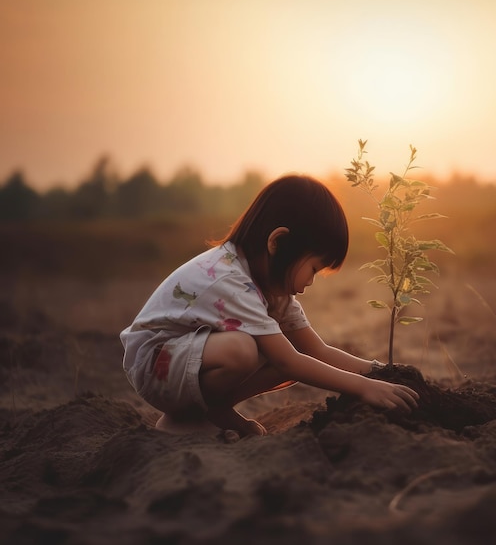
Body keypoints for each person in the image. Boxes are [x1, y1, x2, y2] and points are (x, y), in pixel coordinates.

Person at [120, 175, 419, 437]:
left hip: (186, 362)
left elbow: (317, 351)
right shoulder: (231, 278)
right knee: (246, 350)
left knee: (288, 353)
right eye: (314, 268)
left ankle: (214, 411)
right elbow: (289, 360)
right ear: (278, 242)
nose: (312, 281)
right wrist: (364, 389)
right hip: (155, 365)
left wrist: (380, 373)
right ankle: (185, 419)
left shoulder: (274, 290)